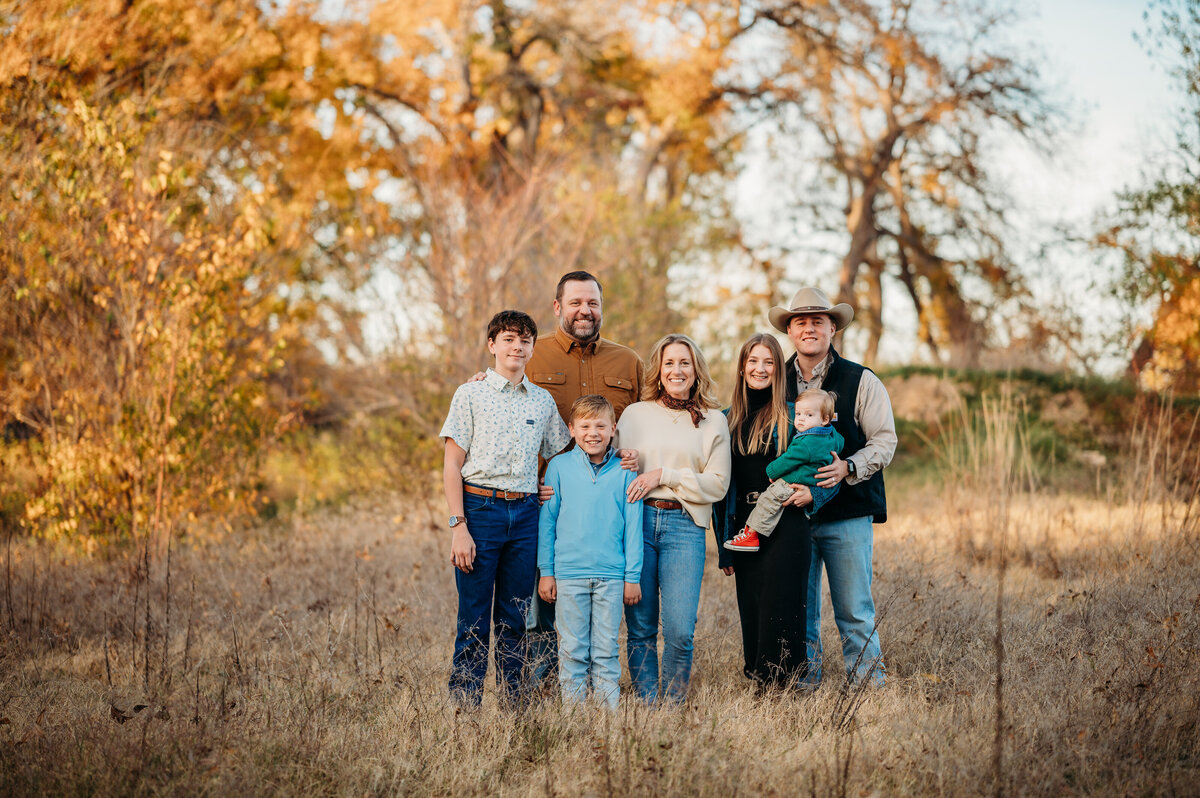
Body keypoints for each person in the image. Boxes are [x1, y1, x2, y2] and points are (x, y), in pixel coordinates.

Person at [439, 310, 571, 708]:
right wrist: (458, 526)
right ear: (492, 345)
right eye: (509, 339)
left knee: (516, 619)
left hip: (527, 515)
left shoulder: (543, 401)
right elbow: (451, 464)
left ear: (532, 348)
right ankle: (465, 710)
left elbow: (564, 452)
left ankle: (515, 710)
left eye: (525, 340)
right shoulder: (471, 394)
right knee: (474, 620)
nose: (517, 346)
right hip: (480, 511)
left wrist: (551, 488)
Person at [768, 286, 897, 688]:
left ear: (832, 329)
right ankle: (806, 685)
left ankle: (868, 689)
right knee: (799, 608)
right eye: (800, 321)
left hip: (848, 514)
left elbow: (885, 440)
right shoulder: (773, 381)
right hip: (792, 516)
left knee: (854, 608)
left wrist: (849, 467)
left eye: (817, 321)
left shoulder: (861, 380)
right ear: (790, 330)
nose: (809, 328)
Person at [525, 271, 643, 686]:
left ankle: (600, 694)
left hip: (609, 502)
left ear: (601, 308)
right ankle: (546, 693)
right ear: (558, 307)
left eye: (592, 303)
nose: (584, 310)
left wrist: (641, 456)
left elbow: (653, 417)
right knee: (541, 611)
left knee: (601, 632)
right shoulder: (531, 356)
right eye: (575, 302)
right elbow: (497, 396)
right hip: (544, 503)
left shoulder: (627, 361)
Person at [618, 334, 731, 703]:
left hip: (685, 526)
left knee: (681, 629)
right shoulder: (636, 414)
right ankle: (649, 705)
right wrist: (628, 465)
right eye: (669, 363)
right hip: (638, 522)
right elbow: (610, 464)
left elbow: (717, 485)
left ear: (696, 369)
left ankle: (673, 703)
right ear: (659, 369)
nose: (676, 370)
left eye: (684, 363)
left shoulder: (713, 420)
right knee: (641, 626)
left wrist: (663, 474)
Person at [712, 334, 825, 688]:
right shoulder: (726, 420)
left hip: (787, 523)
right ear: (742, 367)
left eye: (769, 362)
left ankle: (786, 684)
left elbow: (825, 461)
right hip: (744, 528)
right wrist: (722, 546)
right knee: (754, 605)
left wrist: (815, 494)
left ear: (778, 369)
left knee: (783, 605)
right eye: (753, 361)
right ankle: (761, 681)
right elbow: (720, 492)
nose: (760, 369)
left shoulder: (795, 416)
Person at [537, 395, 643, 710]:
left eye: (600, 426)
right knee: (572, 649)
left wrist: (632, 576)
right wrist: (547, 572)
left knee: (606, 650)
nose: (592, 433)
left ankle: (607, 718)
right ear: (571, 429)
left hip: (612, 576)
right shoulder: (558, 467)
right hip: (569, 575)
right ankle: (574, 718)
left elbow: (633, 525)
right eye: (584, 426)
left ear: (613, 429)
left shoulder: (626, 469)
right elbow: (548, 524)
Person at [724, 387, 843, 552]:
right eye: (799, 413)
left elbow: (788, 460)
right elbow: (841, 443)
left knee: (768, 500)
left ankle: (751, 535)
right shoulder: (832, 436)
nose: (801, 419)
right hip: (811, 480)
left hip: (795, 481)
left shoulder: (806, 443)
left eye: (809, 415)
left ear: (824, 419)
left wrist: (771, 471)